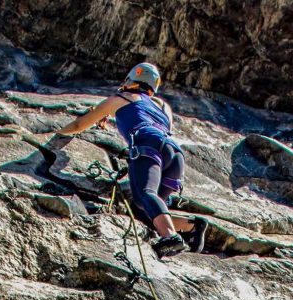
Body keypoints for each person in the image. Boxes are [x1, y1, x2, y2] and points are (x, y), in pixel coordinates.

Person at [48, 62, 208, 259]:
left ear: (130, 79)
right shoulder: (163, 106)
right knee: (148, 209)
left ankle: (170, 236)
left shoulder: (120, 98)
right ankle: (191, 225)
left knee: (144, 194)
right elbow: (154, 121)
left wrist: (53, 133)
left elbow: (80, 124)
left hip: (148, 145)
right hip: (174, 153)